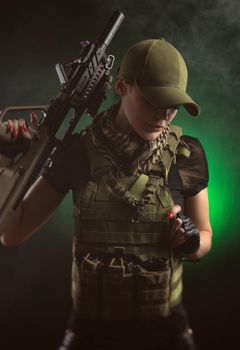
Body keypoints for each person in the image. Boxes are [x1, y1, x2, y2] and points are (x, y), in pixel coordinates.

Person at [0, 38, 212, 350]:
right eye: (153, 101)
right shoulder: (78, 151)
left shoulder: (186, 153)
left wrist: (192, 241)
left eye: (173, 107)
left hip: (164, 329)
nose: (163, 116)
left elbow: (205, 236)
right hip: (91, 331)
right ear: (122, 86)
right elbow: (12, 233)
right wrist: (4, 160)